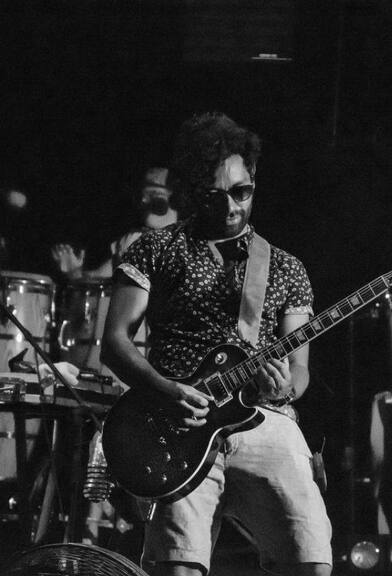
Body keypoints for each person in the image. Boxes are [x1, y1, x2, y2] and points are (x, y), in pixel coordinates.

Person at [101, 112, 332, 576]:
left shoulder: (285, 267)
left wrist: (285, 387)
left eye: (241, 191)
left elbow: (299, 369)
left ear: (254, 181)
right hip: (177, 424)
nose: (231, 205)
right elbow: (115, 342)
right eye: (215, 195)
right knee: (179, 568)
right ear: (192, 193)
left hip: (265, 417)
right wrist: (165, 389)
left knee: (311, 562)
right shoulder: (156, 248)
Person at [50, 166, 180, 280]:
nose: (144, 200)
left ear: (174, 199)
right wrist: (74, 272)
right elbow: (96, 284)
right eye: (142, 194)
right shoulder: (132, 240)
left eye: (153, 193)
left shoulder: (184, 244)